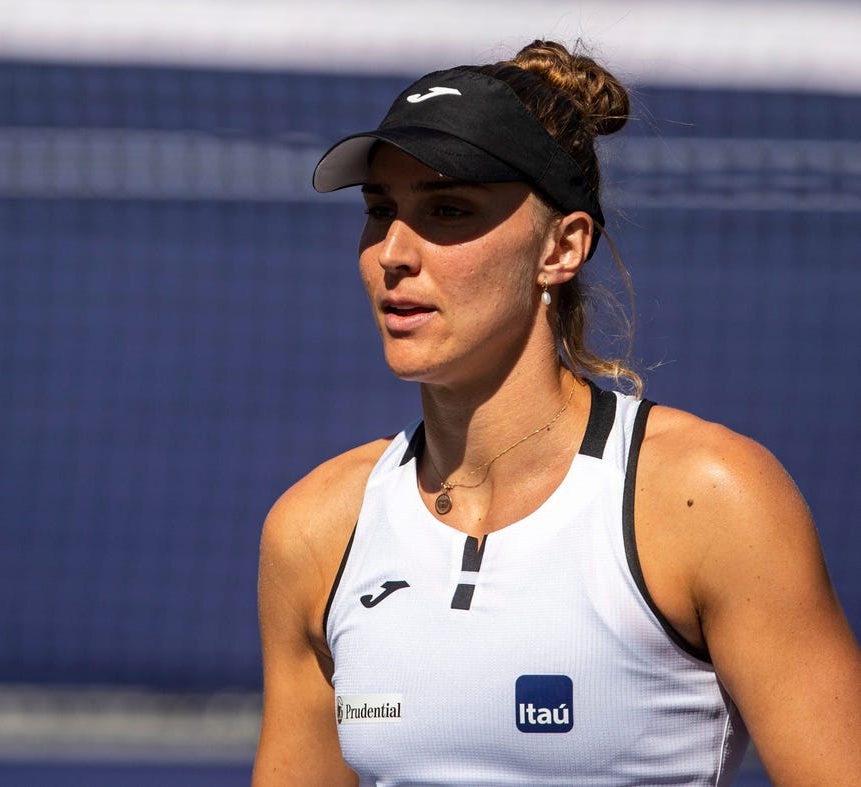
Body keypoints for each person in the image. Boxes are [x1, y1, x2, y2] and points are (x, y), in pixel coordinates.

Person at [253, 40, 861, 786]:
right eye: (381, 211)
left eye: (447, 209)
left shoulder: (711, 499)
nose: (393, 252)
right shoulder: (315, 530)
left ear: (561, 247)